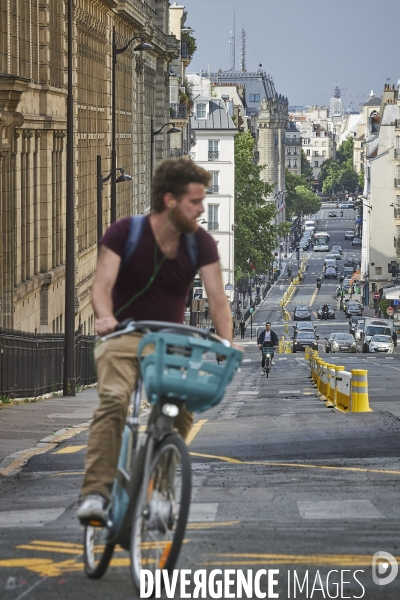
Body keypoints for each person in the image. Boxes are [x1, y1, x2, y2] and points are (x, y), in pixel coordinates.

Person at [77, 158, 240, 524]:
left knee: (179, 408)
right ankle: (95, 493)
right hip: (122, 336)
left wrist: (226, 342)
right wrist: (105, 316)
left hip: (169, 344)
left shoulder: (201, 243)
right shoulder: (124, 233)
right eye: (195, 202)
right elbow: (101, 286)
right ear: (169, 200)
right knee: (115, 402)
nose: (201, 209)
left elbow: (217, 299)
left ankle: (162, 491)